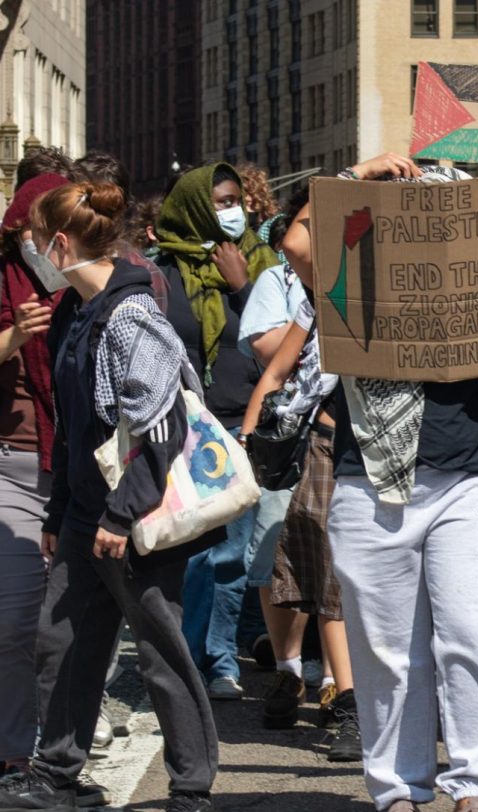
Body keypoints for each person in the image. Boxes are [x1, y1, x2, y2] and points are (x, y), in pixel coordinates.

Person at [287, 152, 478, 812]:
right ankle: (398, 789)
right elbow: (297, 242)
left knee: (472, 628)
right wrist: (356, 179)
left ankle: (473, 783)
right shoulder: (353, 269)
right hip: (371, 474)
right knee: (386, 646)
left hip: (469, 477)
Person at [0, 181, 219, 812]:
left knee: (160, 650)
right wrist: (58, 511)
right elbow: (74, 425)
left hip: (135, 512)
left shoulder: (131, 313)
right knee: (62, 640)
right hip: (82, 514)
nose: (33, 250)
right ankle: (58, 773)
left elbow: (163, 426)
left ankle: (191, 788)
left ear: (61, 243)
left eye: (39, 240)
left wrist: (122, 514)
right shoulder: (75, 308)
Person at [155, 162, 278, 700]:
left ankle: (221, 659)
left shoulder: (265, 266)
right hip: (182, 430)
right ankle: (182, 656)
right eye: (219, 203)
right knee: (190, 553)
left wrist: (244, 287)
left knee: (231, 555)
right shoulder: (163, 273)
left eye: (235, 201)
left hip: (242, 426)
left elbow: (282, 341)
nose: (231, 212)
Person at [238, 257, 359, 762]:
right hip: (326, 442)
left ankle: (353, 691)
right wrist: (249, 445)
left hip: (406, 450)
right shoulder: (326, 294)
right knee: (322, 570)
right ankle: (335, 695)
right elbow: (278, 369)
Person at [0, 172, 68, 780]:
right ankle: (15, 752)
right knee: (14, 622)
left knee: (65, 631)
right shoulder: (4, 280)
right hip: (15, 468)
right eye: (38, 229)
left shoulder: (94, 280)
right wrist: (15, 334)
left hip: (79, 478)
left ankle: (61, 757)